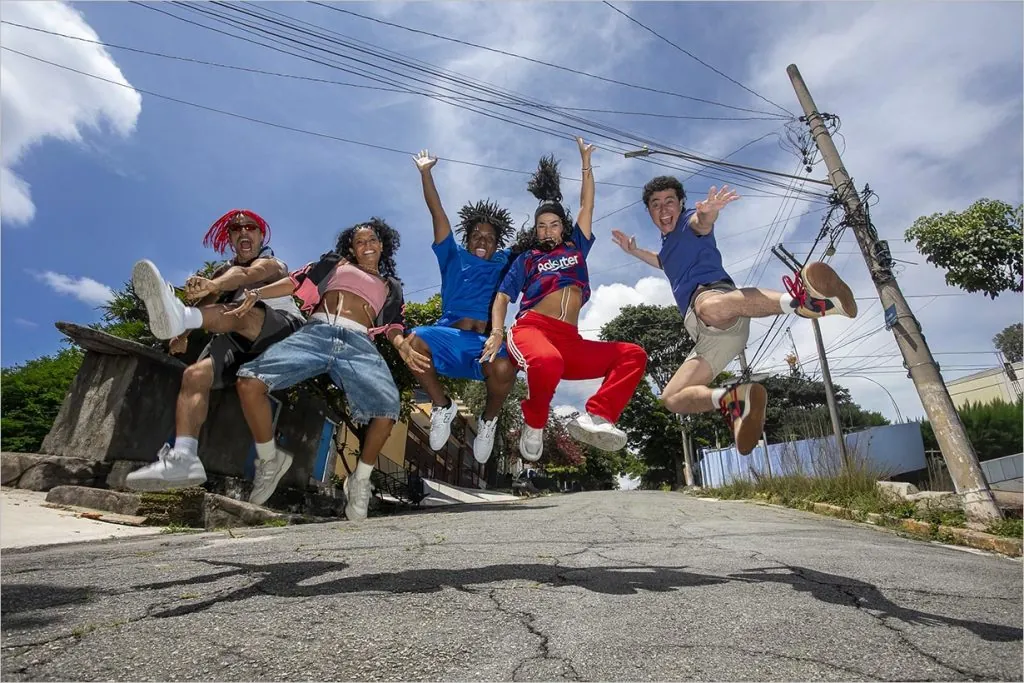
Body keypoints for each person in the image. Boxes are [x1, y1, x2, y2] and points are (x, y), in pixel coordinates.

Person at [611, 176, 858, 455]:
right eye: (656, 205)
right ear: (649, 212)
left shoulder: (689, 222)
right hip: (711, 337)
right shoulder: (668, 246)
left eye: (670, 202)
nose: (663, 209)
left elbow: (702, 223)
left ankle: (806, 302)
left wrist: (709, 212)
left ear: (681, 204)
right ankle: (733, 401)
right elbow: (661, 261)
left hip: (716, 301)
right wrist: (634, 251)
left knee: (707, 307)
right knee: (672, 398)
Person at [229, 218, 429, 519]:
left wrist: (401, 345)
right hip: (318, 332)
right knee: (249, 381)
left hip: (359, 343)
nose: (366, 245)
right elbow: (295, 281)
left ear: (382, 245)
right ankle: (270, 459)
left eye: (372, 240)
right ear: (352, 248)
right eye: (359, 242)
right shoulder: (335, 263)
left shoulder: (392, 286)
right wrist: (257, 293)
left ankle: (360, 479)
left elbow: (393, 325)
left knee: (388, 408)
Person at [482, 137, 648, 461]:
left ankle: (598, 416)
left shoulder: (576, 248)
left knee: (633, 355)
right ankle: (535, 422)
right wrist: (497, 332)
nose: (547, 231)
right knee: (548, 361)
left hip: (569, 340)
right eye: (541, 226)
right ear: (535, 230)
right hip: (532, 330)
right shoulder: (527, 259)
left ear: (563, 228)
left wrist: (586, 164)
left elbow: (587, 205)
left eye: (554, 225)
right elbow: (502, 296)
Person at [125, 209, 304, 498]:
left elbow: (247, 274)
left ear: (261, 236)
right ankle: (184, 458)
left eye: (250, 228)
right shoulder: (223, 271)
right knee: (194, 375)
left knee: (241, 311)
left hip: (281, 331)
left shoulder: (273, 263)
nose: (243, 232)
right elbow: (207, 303)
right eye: (236, 229)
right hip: (239, 342)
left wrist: (215, 285)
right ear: (230, 239)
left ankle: (180, 316)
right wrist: (181, 336)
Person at [407, 149, 519, 464]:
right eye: (476, 236)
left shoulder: (504, 261)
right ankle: (442, 406)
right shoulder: (452, 255)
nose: (482, 241)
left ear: (497, 243)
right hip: (450, 341)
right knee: (414, 341)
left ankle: (488, 421)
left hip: (484, 345)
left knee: (506, 367)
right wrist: (425, 173)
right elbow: (437, 213)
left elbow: (534, 244)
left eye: (489, 237)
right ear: (467, 239)